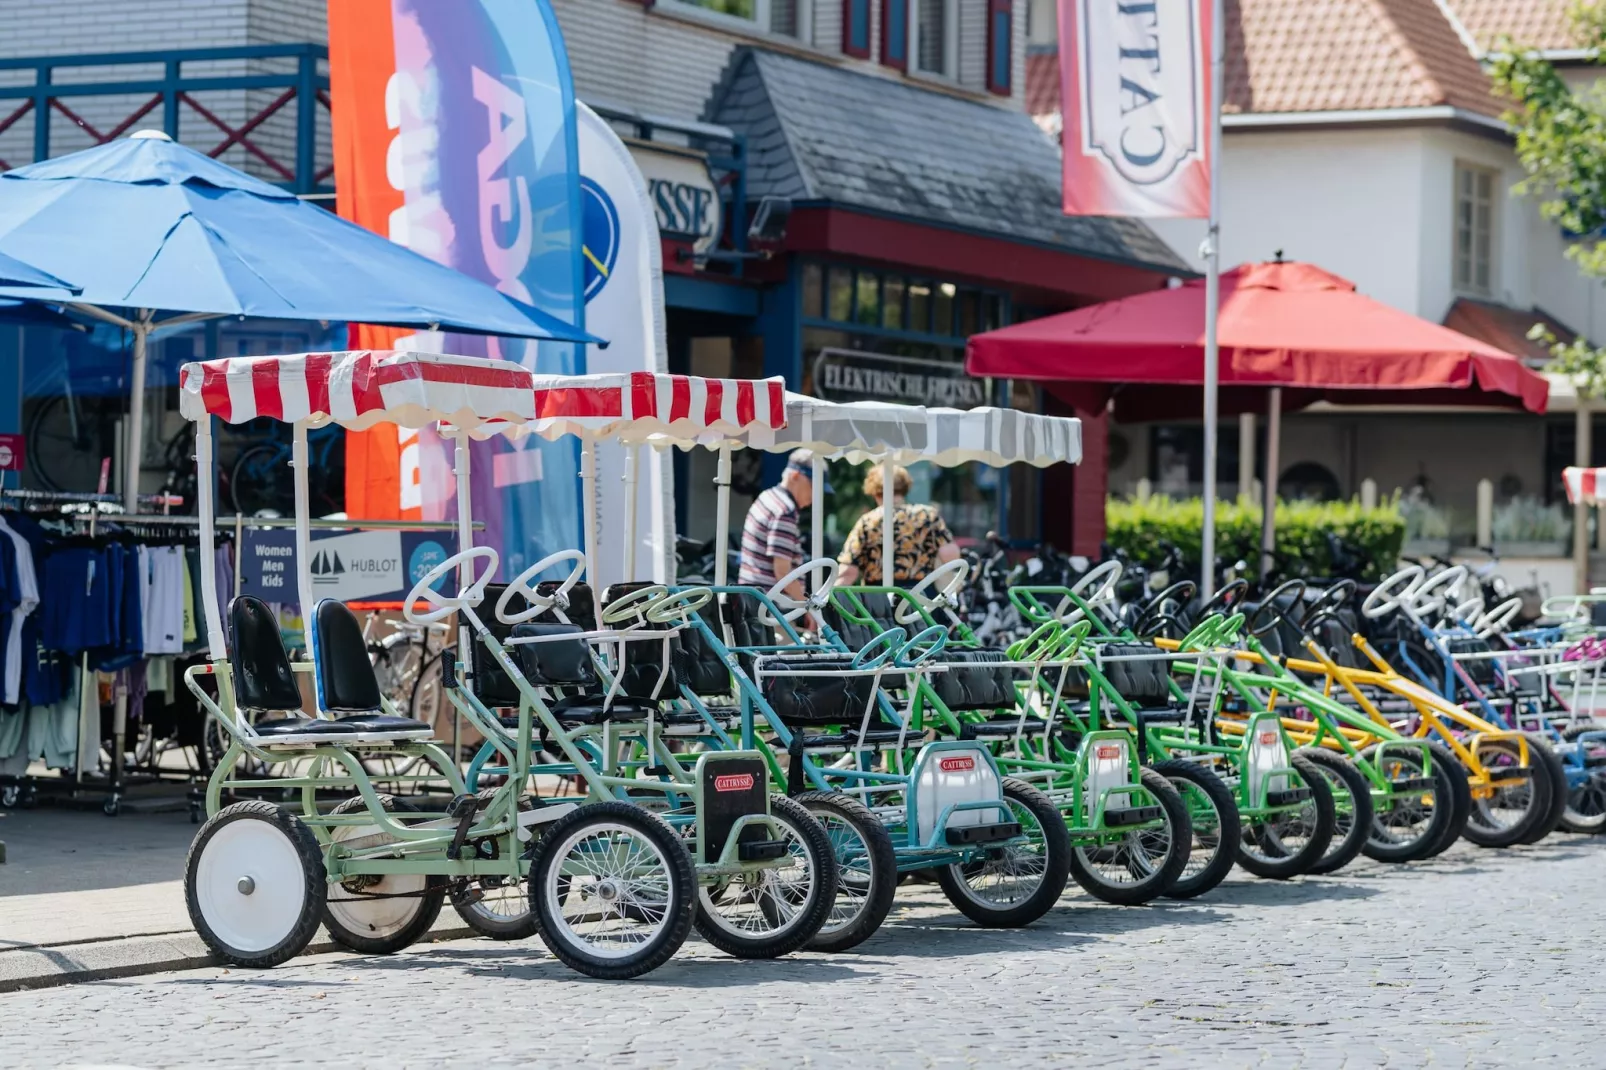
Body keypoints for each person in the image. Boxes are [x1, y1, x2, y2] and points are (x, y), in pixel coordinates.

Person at [837, 464, 959, 586]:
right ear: (905, 487)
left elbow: (849, 571)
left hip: (876, 597)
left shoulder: (868, 521)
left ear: (874, 491)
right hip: (919, 595)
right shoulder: (927, 516)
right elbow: (949, 555)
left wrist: (829, 598)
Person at [737, 450, 825, 608]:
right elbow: (783, 574)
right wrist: (808, 607)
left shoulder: (767, 496)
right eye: (814, 486)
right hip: (771, 607)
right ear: (796, 476)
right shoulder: (785, 511)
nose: (815, 496)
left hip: (752, 600)